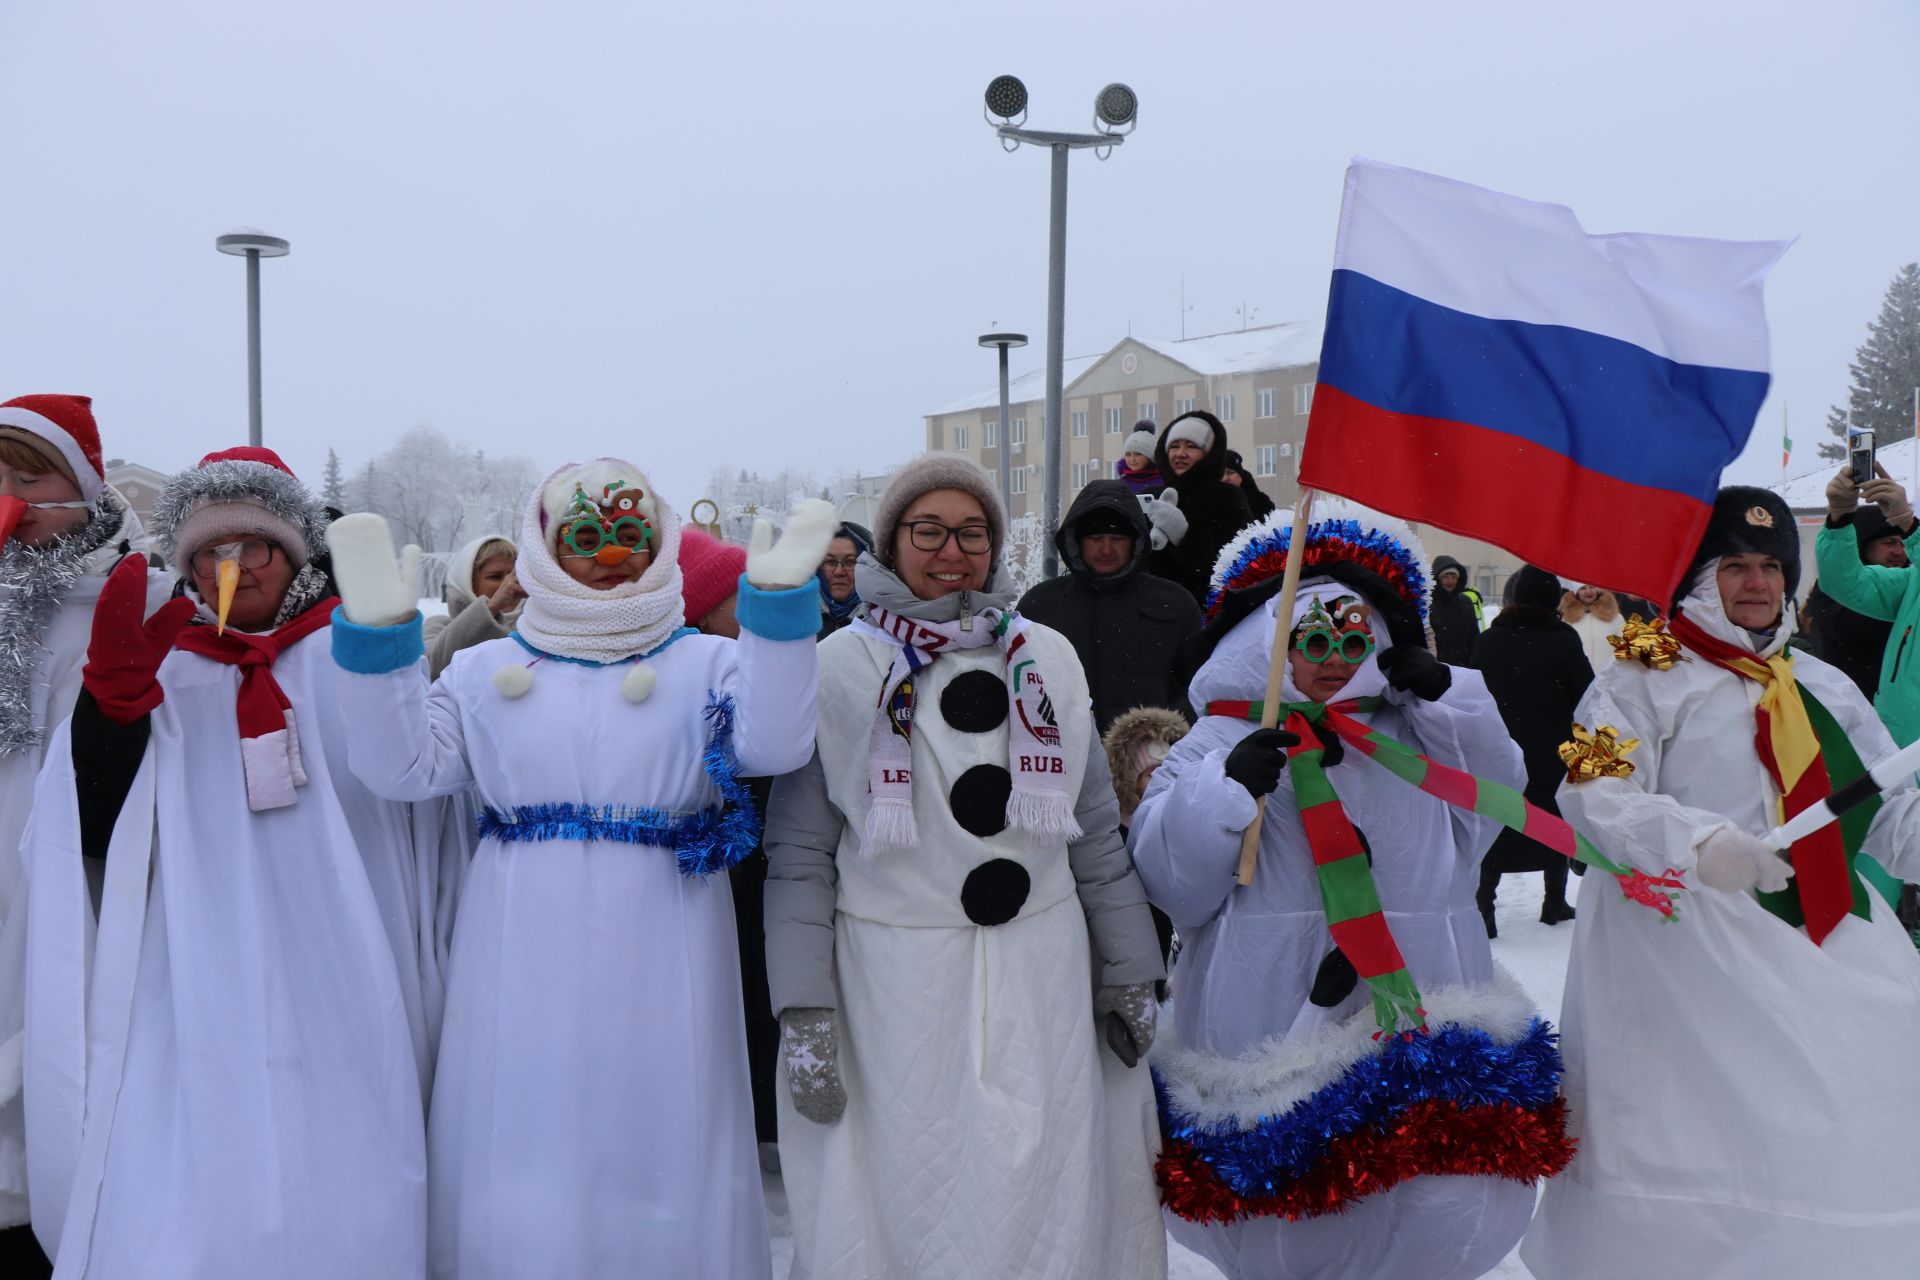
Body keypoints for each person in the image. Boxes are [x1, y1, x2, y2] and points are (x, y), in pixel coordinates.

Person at [326, 461, 834, 1280]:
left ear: (661, 547)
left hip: (665, 937)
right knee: (525, 1129)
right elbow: (400, 769)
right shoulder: (484, 673)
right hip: (521, 941)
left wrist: (777, 621)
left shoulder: (706, 663)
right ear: (547, 550)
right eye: (585, 539)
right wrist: (380, 643)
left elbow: (777, 743)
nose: (610, 557)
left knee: (666, 1127)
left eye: (632, 538)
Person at [11, 447, 442, 1279]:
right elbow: (89, 838)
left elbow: (419, 799)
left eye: (255, 549)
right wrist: (112, 716)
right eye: (210, 552)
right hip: (190, 978)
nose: (231, 569)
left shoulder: (352, 659)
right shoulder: (165, 665)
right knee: (180, 1187)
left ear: (298, 554)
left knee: (348, 1171)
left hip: (347, 968)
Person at [1133, 501, 1562, 1280]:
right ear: (1270, 642)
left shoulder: (1417, 730)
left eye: (1352, 638)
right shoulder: (1218, 739)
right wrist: (1221, 794)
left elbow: (1494, 793)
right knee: (1291, 1213)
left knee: (1432, 1198)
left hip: (1423, 999)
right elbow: (1171, 882)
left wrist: (1450, 695)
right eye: (1311, 640)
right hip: (1268, 1011)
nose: (1333, 659)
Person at [764, 453, 1167, 1280]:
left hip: (1038, 975)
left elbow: (1091, 830)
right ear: (891, 542)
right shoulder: (839, 668)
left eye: (973, 531)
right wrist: (804, 1008)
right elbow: (801, 857)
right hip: (895, 986)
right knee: (914, 1188)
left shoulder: (1046, 659)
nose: (953, 550)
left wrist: (1130, 965)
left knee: (1041, 1182)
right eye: (930, 530)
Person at [1522, 486, 1920, 1279]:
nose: (1757, 583)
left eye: (1771, 566)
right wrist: (1697, 843)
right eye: (1733, 564)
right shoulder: (1636, 673)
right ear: (1697, 578)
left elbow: (1890, 810)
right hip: (1682, 952)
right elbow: (1589, 788)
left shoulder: (1824, 686)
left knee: (1853, 1106)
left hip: (1816, 938)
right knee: (1696, 1143)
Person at [0, 395, 170, 1278]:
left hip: (70, 880)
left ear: (85, 488)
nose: (12, 501)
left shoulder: (124, 596)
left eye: (32, 480)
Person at [1016, 478, 1203, 734]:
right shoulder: (1040, 604)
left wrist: (1162, 737)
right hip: (1064, 757)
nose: (1106, 549)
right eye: (1096, 537)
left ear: (1135, 540)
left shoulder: (1174, 603)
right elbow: (1021, 685)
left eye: (1117, 538)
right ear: (1077, 541)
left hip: (1154, 762)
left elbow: (1197, 684)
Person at [1470, 565, 1592, 933]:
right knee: (1551, 822)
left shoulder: (1491, 640)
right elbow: (1587, 694)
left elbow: (1472, 694)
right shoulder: (1564, 639)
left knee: (1499, 821)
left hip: (1500, 749)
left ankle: (1485, 908)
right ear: (1554, 599)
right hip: (1553, 749)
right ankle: (1553, 901)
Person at [1144, 410, 1253, 605]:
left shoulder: (1227, 498)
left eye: (1191, 446)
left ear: (1210, 453)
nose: (1180, 453)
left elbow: (1236, 565)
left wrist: (1185, 536)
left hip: (1204, 610)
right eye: (1174, 446)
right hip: (1151, 610)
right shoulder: (1153, 496)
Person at [1802, 503, 1902, 696]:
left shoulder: (1909, 585)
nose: (1899, 552)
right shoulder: (1831, 587)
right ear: (1862, 543)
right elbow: (1846, 628)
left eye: (1903, 543)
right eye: (1889, 543)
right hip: (1849, 702)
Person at [423, 532, 523, 678]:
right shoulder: (438, 627)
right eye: (495, 576)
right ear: (468, 583)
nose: (509, 583)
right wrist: (491, 607)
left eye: (514, 575)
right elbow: (429, 671)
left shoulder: (533, 626)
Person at [816, 520, 872, 637]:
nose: (839, 572)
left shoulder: (884, 625)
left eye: (850, 562)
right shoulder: (800, 624)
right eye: (830, 562)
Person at [1428, 554, 1480, 665]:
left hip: (1462, 667)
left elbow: (1474, 635)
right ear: (1437, 579)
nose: (1450, 581)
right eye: (1445, 577)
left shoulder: (1466, 602)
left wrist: (1473, 663)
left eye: (1453, 577)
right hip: (1436, 667)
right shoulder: (1428, 603)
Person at [1558, 583, 1621, 674]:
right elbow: (1562, 651)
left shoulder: (1615, 617)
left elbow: (1624, 648)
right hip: (1578, 678)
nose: (1588, 591)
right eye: (1583, 588)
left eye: (1592, 587)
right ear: (1576, 592)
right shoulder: (1566, 620)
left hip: (1608, 679)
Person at [1222, 448, 1276, 520]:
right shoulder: (1209, 502)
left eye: (1230, 473)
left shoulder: (1261, 503)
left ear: (1241, 476)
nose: (1225, 478)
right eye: (1221, 474)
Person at [1114, 423, 1164, 497]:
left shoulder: (1164, 480)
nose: (1132, 459)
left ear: (1151, 456)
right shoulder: (1121, 484)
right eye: (1128, 454)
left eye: (1138, 454)